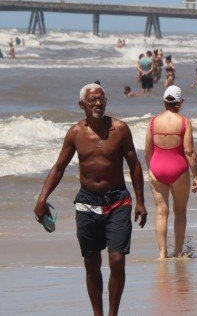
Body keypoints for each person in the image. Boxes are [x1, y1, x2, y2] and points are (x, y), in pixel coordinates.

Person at [35, 83, 147, 316]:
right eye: (93, 100)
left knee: (117, 259)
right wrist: (42, 198)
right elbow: (59, 168)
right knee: (91, 262)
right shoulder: (75, 133)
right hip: (86, 202)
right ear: (81, 104)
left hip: (118, 200)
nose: (99, 103)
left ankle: (112, 313)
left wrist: (140, 200)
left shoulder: (120, 129)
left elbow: (135, 165)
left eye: (102, 99)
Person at [145, 86, 197, 259]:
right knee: (180, 211)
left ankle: (162, 254)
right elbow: (189, 151)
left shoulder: (153, 122)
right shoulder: (184, 122)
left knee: (161, 212)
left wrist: (151, 169)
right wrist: (196, 175)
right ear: (180, 102)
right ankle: (177, 252)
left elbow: (148, 151)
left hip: (157, 169)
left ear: (164, 101)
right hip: (178, 170)